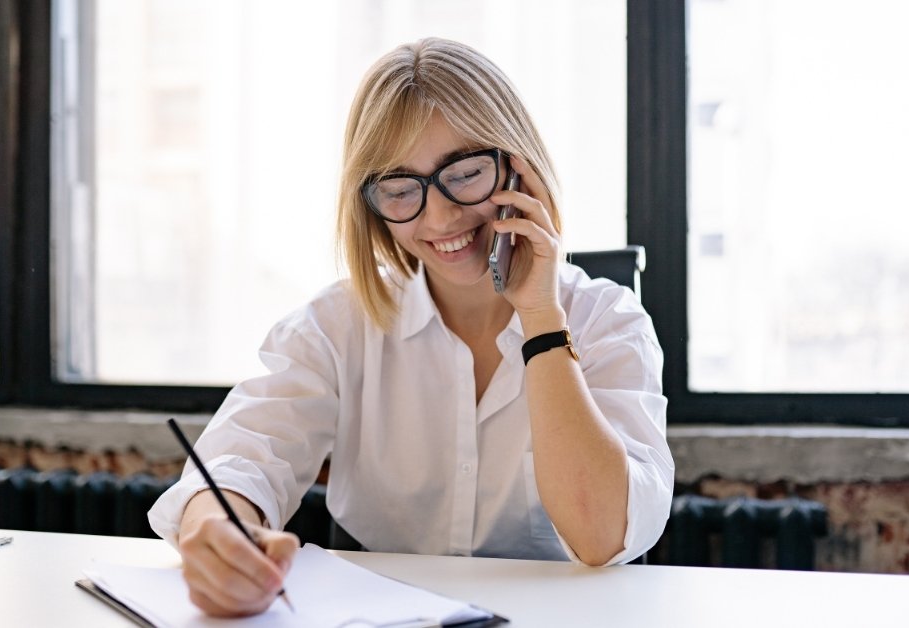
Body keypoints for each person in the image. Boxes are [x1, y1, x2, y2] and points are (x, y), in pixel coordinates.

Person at [148, 37, 674, 617]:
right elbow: (243, 458)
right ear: (371, 203)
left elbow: (602, 536)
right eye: (401, 190)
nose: (441, 216)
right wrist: (220, 530)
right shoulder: (336, 325)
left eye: (466, 173)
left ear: (518, 167)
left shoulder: (607, 320)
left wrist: (541, 319)